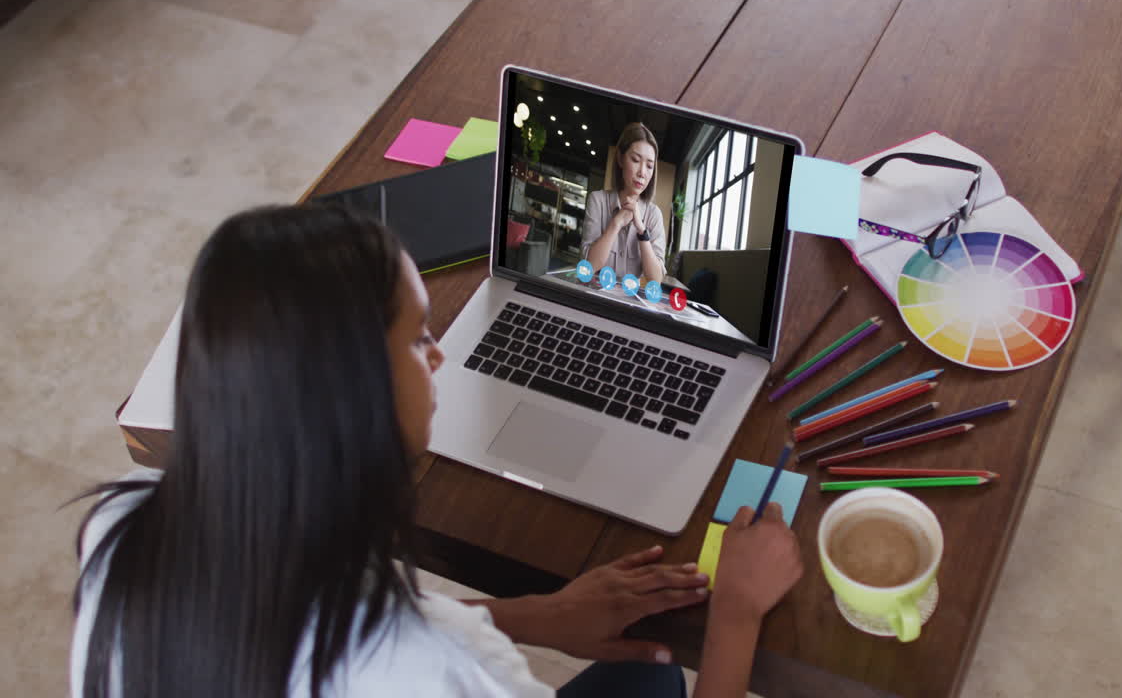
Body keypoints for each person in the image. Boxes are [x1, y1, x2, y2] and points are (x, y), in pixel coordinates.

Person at [71, 204, 802, 698]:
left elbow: (320, 624)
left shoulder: (122, 529)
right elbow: (411, 652)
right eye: (419, 337)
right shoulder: (443, 673)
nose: (441, 355)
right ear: (358, 399)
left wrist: (533, 615)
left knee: (646, 676)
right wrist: (736, 614)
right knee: (659, 675)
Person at [582, 123, 667, 286]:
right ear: (620, 159)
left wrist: (642, 231)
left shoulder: (654, 214)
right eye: (635, 160)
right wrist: (616, 223)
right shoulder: (597, 200)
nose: (642, 172)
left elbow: (656, 279)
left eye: (649, 166)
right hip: (594, 294)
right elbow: (588, 267)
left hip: (630, 299)